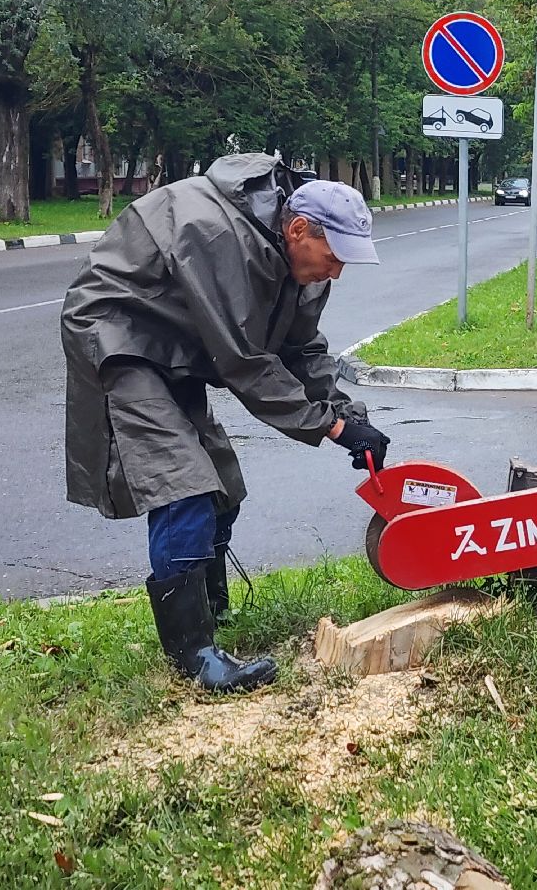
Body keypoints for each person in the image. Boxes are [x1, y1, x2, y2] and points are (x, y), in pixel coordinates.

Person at [61, 154, 392, 691]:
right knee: (184, 486)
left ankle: (209, 613)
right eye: (333, 255)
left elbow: (302, 348)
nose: (337, 270)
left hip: (178, 345)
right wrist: (328, 428)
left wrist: (350, 415)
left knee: (223, 486)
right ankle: (195, 656)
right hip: (118, 334)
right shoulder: (217, 234)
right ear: (299, 228)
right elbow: (243, 361)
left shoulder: (303, 263)